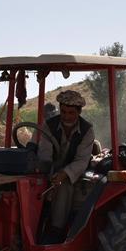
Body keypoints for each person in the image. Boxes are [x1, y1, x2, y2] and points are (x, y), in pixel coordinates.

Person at [36, 90, 95, 242]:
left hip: (74, 172)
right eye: (63, 112)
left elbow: (81, 161)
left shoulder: (87, 130)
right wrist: (48, 172)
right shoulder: (49, 126)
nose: (66, 116)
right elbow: (44, 153)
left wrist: (63, 173)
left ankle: (56, 231)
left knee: (63, 186)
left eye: (71, 113)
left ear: (79, 112)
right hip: (51, 169)